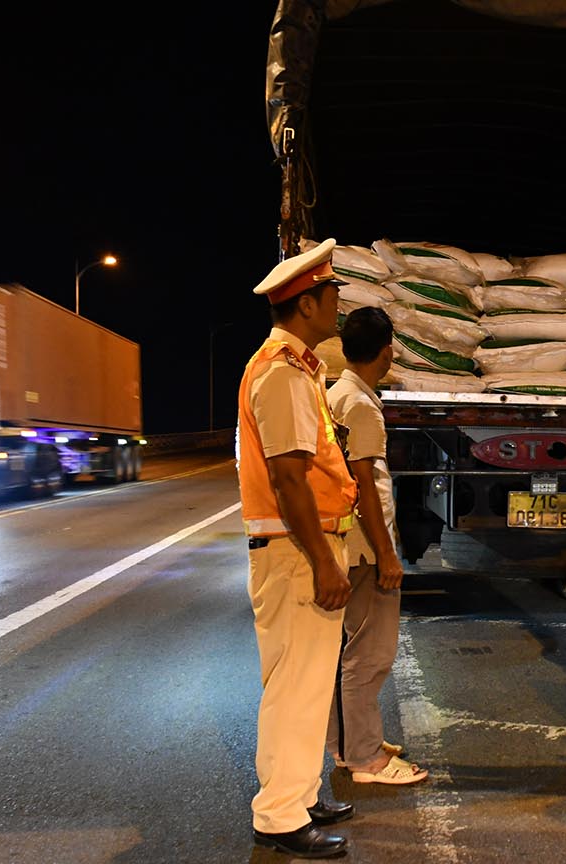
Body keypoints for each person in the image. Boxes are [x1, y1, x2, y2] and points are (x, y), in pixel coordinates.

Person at [238, 238, 358, 859]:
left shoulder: (297, 368)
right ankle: (281, 817)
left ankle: (300, 792)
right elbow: (288, 477)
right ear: (308, 302)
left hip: (293, 547)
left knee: (304, 683)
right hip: (294, 551)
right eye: (332, 292)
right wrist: (322, 561)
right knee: (296, 686)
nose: (339, 301)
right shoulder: (282, 374)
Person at [325, 307, 429, 785]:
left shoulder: (340, 394)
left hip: (349, 543)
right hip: (366, 548)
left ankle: (350, 744)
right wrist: (388, 553)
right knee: (370, 654)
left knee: (349, 650)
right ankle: (365, 758)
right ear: (386, 351)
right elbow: (363, 482)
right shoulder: (361, 405)